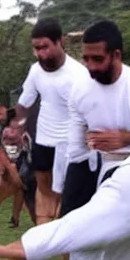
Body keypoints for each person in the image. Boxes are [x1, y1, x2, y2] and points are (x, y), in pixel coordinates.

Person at [20, 19, 130, 260]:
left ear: (116, 55)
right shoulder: (81, 88)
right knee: (81, 235)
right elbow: (73, 145)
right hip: (89, 165)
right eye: (86, 58)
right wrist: (64, 188)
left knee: (123, 240)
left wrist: (127, 137)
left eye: (97, 59)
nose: (89, 66)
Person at [19, 16, 90, 224]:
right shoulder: (35, 71)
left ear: (60, 42)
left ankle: (66, 244)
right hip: (43, 140)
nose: (40, 54)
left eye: (45, 47)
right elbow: (25, 101)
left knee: (66, 195)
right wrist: (16, 125)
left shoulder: (79, 75)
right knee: (44, 190)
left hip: (71, 144)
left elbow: (88, 114)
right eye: (36, 48)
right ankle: (43, 238)